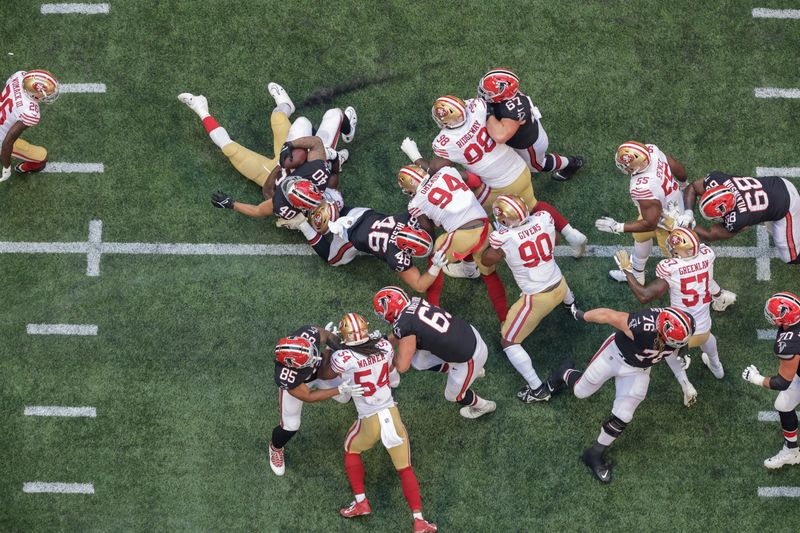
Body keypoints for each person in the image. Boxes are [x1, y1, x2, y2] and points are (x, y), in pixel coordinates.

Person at [399, 96, 588, 257]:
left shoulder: (445, 142)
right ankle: (571, 233)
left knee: (467, 218)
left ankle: (470, 266)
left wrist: (415, 156)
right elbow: (480, 104)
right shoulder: (478, 108)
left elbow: (434, 172)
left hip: (499, 186)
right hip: (519, 169)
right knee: (532, 204)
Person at [548, 306, 696, 483]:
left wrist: (684, 348)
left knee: (624, 415)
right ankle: (563, 372)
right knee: (580, 391)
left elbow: (679, 340)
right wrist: (581, 315)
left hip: (639, 369)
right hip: (615, 356)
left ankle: (594, 454)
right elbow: (608, 315)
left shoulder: (684, 322)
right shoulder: (643, 325)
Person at [331, 313, 437, 532]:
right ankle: (419, 520)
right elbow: (391, 373)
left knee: (350, 449)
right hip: (391, 414)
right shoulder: (383, 346)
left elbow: (340, 390)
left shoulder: (341, 358)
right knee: (405, 468)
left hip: (369, 419)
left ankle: (361, 502)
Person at [616, 227, 737, 403]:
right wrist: (719, 295)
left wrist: (627, 270)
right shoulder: (707, 256)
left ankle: (685, 383)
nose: (672, 250)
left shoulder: (671, 269)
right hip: (703, 329)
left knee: (670, 352)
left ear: (682, 250)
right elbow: (709, 282)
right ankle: (717, 367)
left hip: (680, 331)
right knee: (709, 339)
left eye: (674, 248)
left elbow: (644, 296)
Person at [481, 194, 579, 402]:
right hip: (559, 284)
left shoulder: (504, 236)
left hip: (536, 298)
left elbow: (487, 260)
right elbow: (555, 240)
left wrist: (500, 239)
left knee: (508, 341)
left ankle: (537, 390)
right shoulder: (542, 218)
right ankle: (571, 305)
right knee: (554, 273)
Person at [398, 164, 508, 321]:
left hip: (462, 234)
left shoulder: (415, 203)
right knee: (490, 275)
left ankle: (432, 311)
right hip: (485, 225)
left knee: (436, 260)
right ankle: (505, 319)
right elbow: (475, 181)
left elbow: (429, 233)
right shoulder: (446, 171)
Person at [373, 286, 496, 419]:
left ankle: (484, 406)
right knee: (419, 361)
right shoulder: (415, 302)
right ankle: (470, 372)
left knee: (453, 396)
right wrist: (382, 342)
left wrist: (386, 352)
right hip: (470, 334)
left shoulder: (405, 325)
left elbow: (402, 366)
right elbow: (405, 331)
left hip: (470, 357)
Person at [269, 325, 364, 476]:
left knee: (345, 398)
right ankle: (275, 448)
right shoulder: (287, 377)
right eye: (309, 359)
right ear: (293, 366)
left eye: (313, 350)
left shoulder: (307, 334)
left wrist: (338, 349)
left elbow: (328, 336)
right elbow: (309, 396)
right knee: (291, 425)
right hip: (303, 385)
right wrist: (338, 389)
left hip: (319, 372)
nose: (315, 356)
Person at [596, 140, 688, 283]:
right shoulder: (652, 150)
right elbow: (677, 168)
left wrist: (617, 227)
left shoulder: (642, 187)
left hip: (669, 224)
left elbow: (650, 223)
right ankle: (637, 274)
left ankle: (696, 286)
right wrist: (683, 184)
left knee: (678, 262)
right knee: (640, 236)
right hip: (670, 205)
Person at [477, 68, 583, 181]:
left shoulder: (515, 107)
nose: (483, 94)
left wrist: (488, 113)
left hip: (529, 145)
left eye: (488, 92)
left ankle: (572, 163)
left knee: (538, 166)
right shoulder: (508, 95)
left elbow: (500, 136)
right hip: (520, 134)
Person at [685, 170, 800, 264]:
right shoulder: (717, 179)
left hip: (788, 206)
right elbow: (694, 188)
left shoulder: (737, 219)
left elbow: (710, 235)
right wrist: (688, 213)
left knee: (790, 257)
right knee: (772, 229)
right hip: (778, 183)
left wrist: (686, 225)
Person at [742, 292, 800, 468]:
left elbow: (782, 382)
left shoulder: (787, 344)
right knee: (783, 405)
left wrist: (756, 379)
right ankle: (791, 452)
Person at [0, 69, 59, 182]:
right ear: (34, 95)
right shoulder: (31, 112)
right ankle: (27, 167)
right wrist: (6, 168)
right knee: (42, 156)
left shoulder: (19, 75)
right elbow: (7, 142)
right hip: (1, 139)